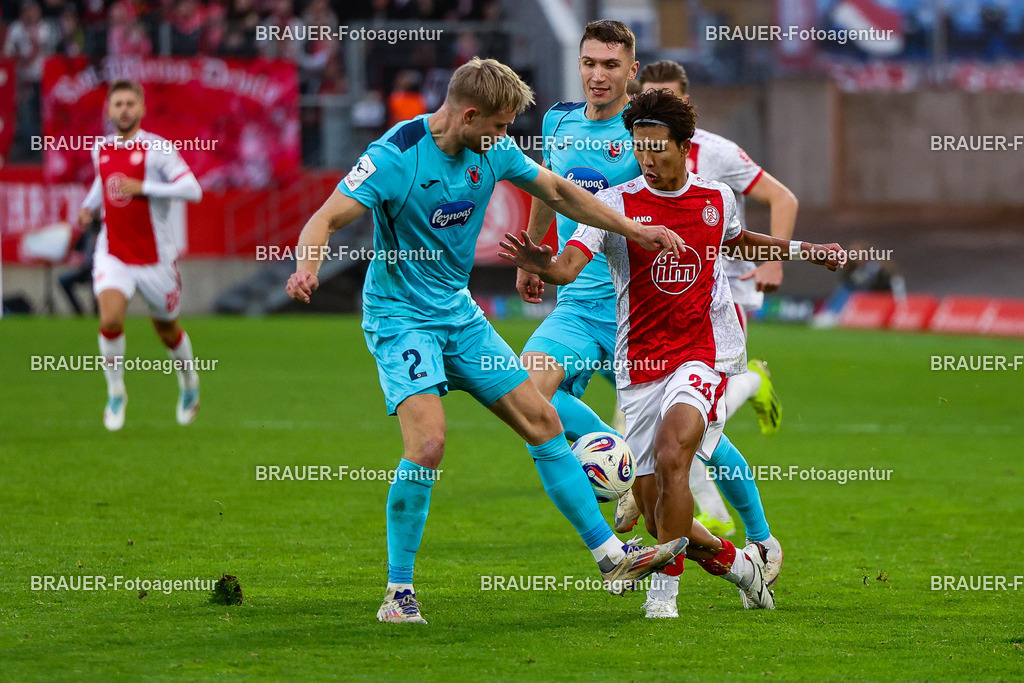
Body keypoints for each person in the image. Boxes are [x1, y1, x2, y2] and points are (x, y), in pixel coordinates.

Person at [285, 57, 688, 625]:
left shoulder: (491, 150)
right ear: (469, 114)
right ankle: (398, 595)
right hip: (401, 318)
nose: (504, 139)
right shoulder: (395, 156)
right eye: (498, 126)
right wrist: (308, 267)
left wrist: (635, 229)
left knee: (542, 420)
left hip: (459, 314)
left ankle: (611, 557)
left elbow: (557, 189)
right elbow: (324, 219)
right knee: (428, 446)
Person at [500, 89, 845, 615]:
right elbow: (568, 267)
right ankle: (739, 563)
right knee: (652, 501)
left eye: (658, 148)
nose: (648, 159)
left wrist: (804, 251)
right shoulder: (615, 206)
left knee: (671, 456)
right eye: (639, 148)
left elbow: (735, 239)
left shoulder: (715, 198)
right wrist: (540, 264)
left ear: (685, 145)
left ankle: (664, 595)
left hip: (700, 355)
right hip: (639, 362)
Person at [513, 22, 780, 584]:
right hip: (581, 305)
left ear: (631, 72)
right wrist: (533, 256)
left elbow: (689, 209)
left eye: (611, 65)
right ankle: (613, 496)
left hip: (646, 314)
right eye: (589, 63)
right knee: (526, 396)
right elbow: (549, 188)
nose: (597, 74)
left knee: (693, 446)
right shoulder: (557, 121)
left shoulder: (648, 136)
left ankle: (759, 538)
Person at [78, 79, 203, 431]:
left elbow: (193, 190)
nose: (124, 110)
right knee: (111, 320)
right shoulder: (100, 148)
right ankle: (116, 391)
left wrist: (143, 188)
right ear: (109, 110)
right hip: (113, 253)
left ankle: (189, 382)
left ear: (142, 108)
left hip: (155, 259)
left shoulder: (158, 149)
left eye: (130, 103)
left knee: (166, 329)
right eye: (118, 104)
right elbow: (101, 186)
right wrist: (89, 208)